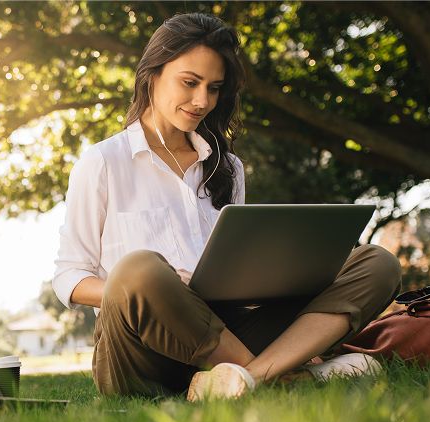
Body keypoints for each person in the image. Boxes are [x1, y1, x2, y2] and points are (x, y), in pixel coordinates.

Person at [51, 12, 402, 401]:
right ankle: (285, 377)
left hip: (224, 331)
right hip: (140, 352)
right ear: (152, 75)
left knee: (377, 263)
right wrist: (144, 290)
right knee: (140, 270)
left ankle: (246, 378)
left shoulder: (227, 168)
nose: (202, 101)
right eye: (190, 83)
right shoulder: (103, 162)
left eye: (214, 88)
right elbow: (69, 277)